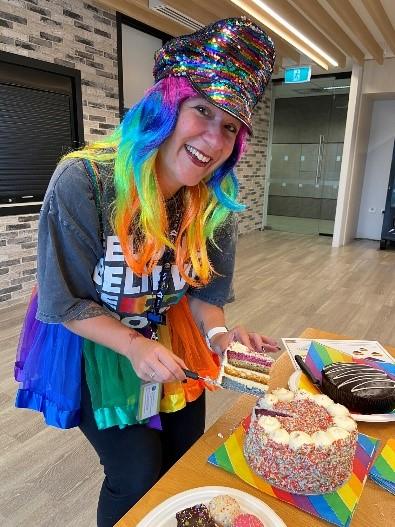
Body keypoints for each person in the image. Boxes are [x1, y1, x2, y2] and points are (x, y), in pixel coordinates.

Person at [14, 17, 276, 527]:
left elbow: (205, 293)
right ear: (167, 103)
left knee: (182, 461)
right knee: (135, 475)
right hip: (94, 340)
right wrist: (133, 346)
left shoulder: (213, 204)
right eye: (202, 110)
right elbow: (64, 301)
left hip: (169, 335)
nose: (214, 139)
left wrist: (220, 335)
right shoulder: (85, 181)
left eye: (230, 126)